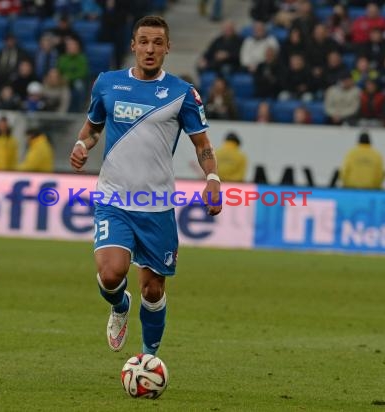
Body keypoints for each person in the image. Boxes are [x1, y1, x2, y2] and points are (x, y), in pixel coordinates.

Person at [69, 16, 222, 356]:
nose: (150, 49)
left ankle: (148, 358)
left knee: (152, 290)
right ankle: (119, 304)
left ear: (168, 48)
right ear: (133, 45)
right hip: (114, 198)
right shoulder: (107, 83)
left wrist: (212, 178)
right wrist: (82, 145)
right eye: (144, 41)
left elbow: (202, 145)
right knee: (111, 274)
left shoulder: (183, 94)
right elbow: (92, 128)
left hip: (156, 206)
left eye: (157, 43)